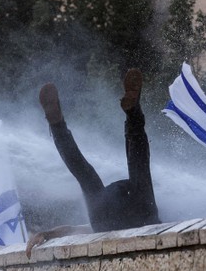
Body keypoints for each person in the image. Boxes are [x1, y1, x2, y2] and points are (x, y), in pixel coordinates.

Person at [38, 68, 160, 234]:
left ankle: (57, 125)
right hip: (139, 217)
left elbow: (73, 230)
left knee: (135, 162)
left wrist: (47, 234)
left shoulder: (103, 217)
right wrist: (48, 234)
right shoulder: (159, 227)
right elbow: (74, 230)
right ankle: (58, 126)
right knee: (86, 175)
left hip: (111, 216)